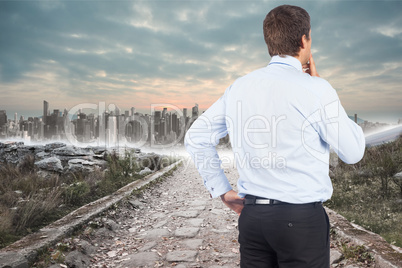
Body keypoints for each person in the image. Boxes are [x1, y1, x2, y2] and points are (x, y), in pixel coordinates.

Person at [184, 4, 365, 268]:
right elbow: (353, 152)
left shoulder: (239, 87)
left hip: (253, 219)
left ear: (269, 41)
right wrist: (323, 88)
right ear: (304, 40)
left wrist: (221, 189)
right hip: (301, 221)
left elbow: (196, 136)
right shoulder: (317, 89)